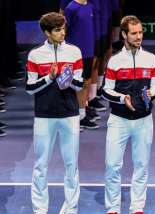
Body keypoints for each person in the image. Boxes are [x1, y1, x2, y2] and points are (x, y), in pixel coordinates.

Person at [100, 15, 155, 214]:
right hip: (119, 120)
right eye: (134, 33)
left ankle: (137, 208)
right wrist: (121, 98)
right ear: (124, 35)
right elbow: (105, 90)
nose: (138, 36)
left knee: (141, 165)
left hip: (144, 120)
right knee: (112, 165)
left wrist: (151, 95)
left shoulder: (151, 59)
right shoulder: (115, 61)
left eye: (140, 32)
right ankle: (113, 210)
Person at [26, 12, 84, 214]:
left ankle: (72, 210)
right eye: (58, 30)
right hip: (44, 115)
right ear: (47, 33)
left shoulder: (74, 52)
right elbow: (30, 88)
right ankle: (40, 211)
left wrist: (67, 80)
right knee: (41, 165)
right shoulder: (35, 55)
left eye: (63, 29)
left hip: (69, 114)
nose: (62, 33)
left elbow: (80, 85)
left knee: (71, 164)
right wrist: (49, 78)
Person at [62, 0, 99, 130]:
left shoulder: (90, 7)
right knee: (74, 85)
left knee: (86, 83)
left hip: (88, 52)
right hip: (75, 54)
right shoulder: (71, 8)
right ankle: (72, 117)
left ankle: (82, 115)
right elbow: (64, 31)